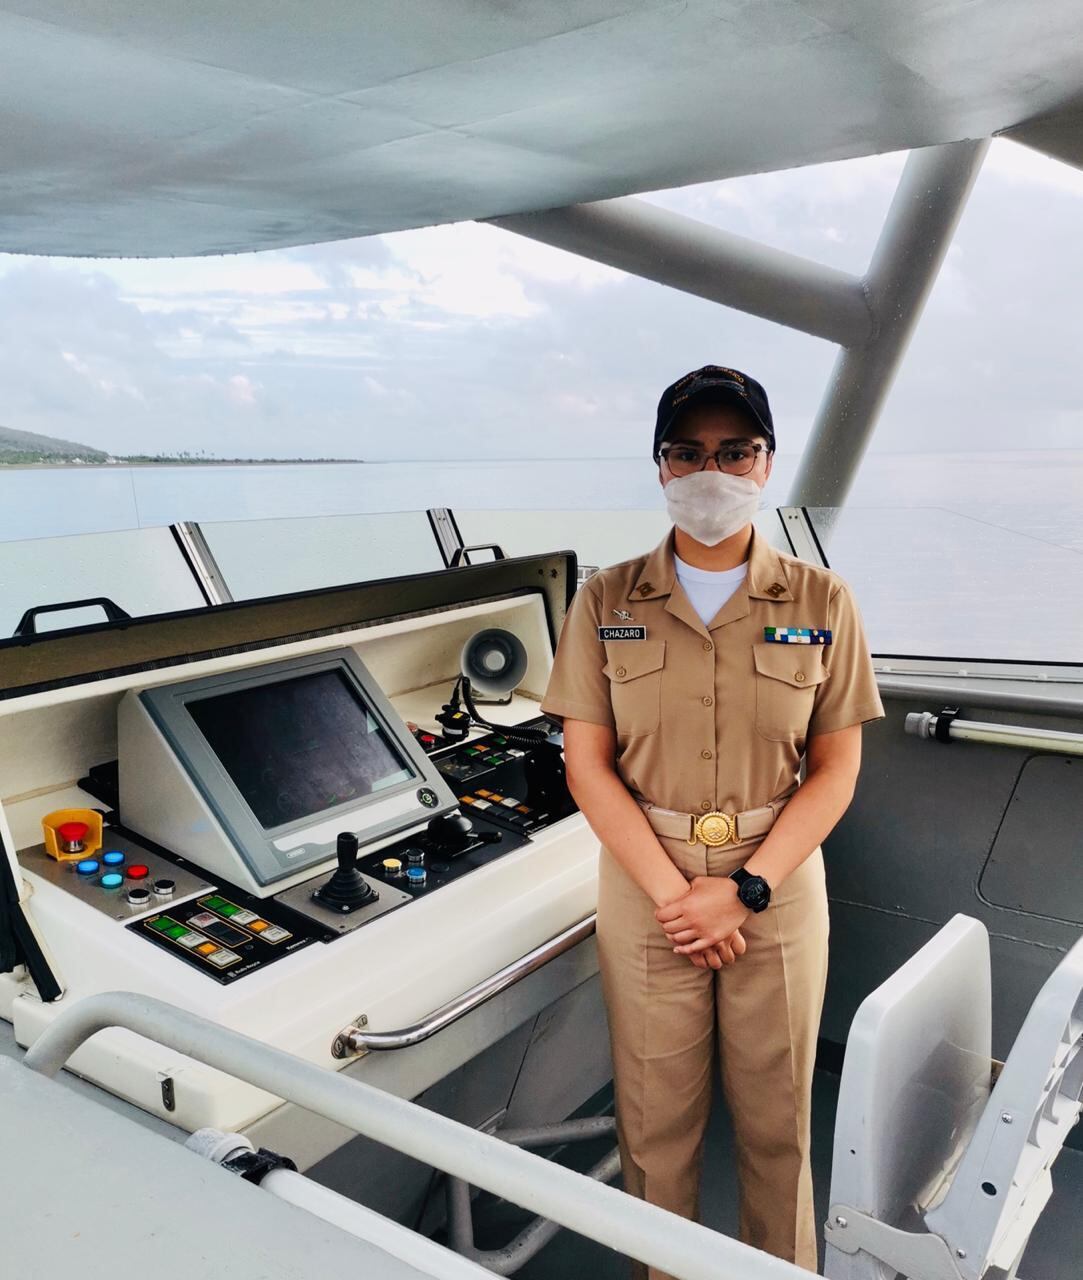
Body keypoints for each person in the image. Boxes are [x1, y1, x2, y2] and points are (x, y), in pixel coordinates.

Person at [540, 365, 884, 1277]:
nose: (710, 470)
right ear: (659, 468)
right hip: (648, 886)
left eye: (734, 450)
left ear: (766, 463)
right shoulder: (604, 600)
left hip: (775, 877)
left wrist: (743, 890)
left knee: (779, 1127)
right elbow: (587, 764)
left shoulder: (822, 602)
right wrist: (676, 896)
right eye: (687, 452)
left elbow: (835, 769)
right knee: (655, 1130)